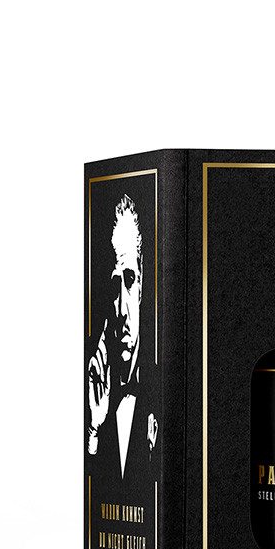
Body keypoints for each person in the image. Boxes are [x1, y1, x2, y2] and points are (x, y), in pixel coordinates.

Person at [87, 194, 157, 483]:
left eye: (129, 280)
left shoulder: (161, 389)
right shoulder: (95, 386)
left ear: (143, 284)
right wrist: (93, 429)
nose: (121, 308)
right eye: (114, 283)